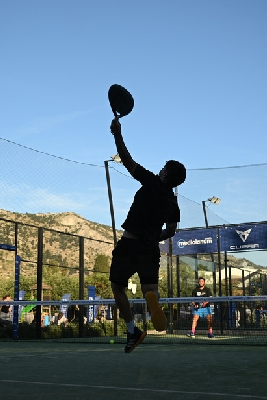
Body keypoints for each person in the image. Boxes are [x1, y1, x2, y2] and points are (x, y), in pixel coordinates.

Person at [108, 117, 186, 353]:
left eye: (163, 168)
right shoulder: (173, 203)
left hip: (130, 244)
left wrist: (117, 134)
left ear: (164, 174)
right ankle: (152, 298)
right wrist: (154, 238)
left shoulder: (151, 182)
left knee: (117, 286)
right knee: (149, 288)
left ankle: (133, 330)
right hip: (150, 249)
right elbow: (171, 231)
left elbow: (127, 159)